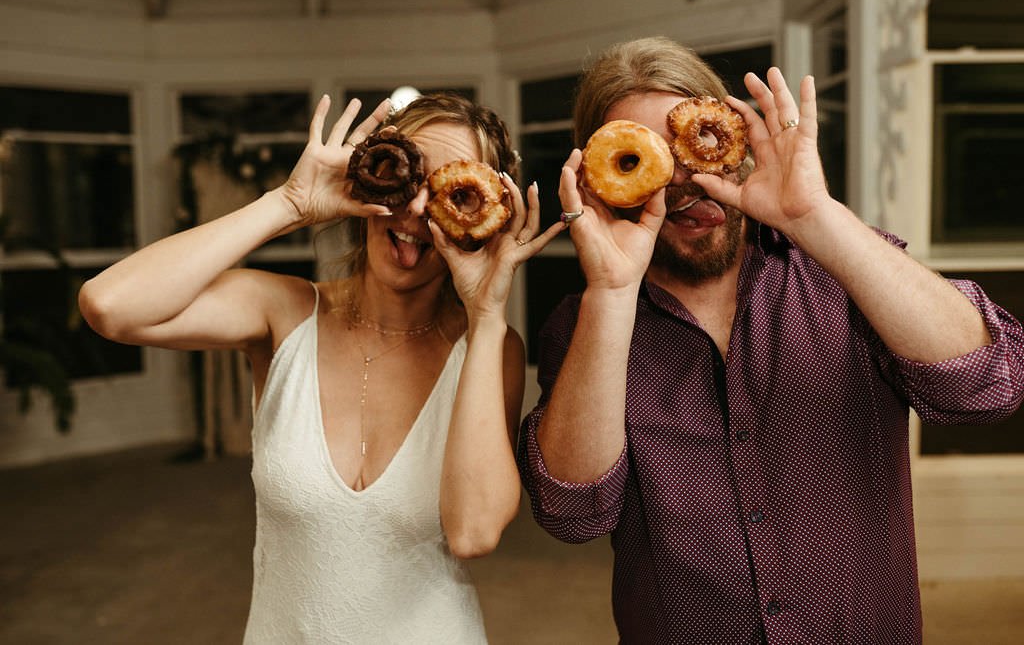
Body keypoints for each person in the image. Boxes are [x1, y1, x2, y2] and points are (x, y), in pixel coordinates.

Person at [517, 36, 1024, 643]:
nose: (683, 179)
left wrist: (815, 217)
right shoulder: (586, 325)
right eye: (646, 156)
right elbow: (573, 512)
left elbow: (990, 387)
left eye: (691, 144)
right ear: (602, 181)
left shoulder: (841, 275)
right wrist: (612, 293)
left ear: (733, 142)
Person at [79, 92, 563, 643]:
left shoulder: (488, 346)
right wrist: (288, 202)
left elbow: (473, 531)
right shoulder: (283, 313)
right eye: (408, 178)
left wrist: (487, 310)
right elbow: (110, 305)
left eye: (447, 189)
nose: (413, 212)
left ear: (481, 216)